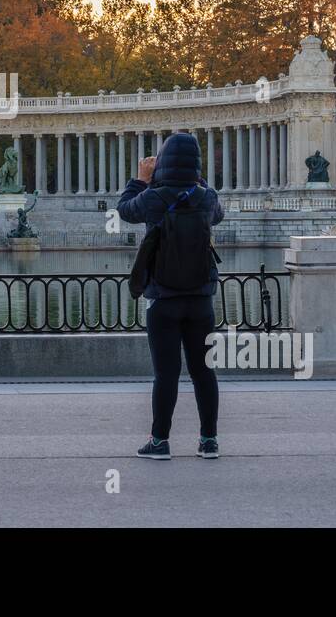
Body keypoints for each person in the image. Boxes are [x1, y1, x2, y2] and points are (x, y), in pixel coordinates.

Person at [116, 132, 224, 460]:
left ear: (162, 162)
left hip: (163, 299)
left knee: (166, 373)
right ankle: (208, 441)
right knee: (204, 371)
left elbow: (124, 210)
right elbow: (216, 213)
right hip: (200, 299)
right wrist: (195, 178)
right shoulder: (207, 198)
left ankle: (160, 441)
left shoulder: (153, 197)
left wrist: (140, 179)